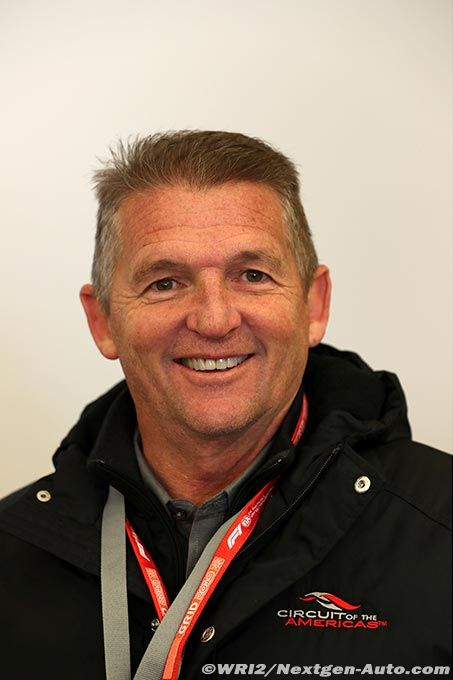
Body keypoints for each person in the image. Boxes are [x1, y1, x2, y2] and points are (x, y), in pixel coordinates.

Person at [0, 131, 450, 680]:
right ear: (103, 321)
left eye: (252, 276)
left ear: (314, 304)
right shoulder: (12, 552)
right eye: (165, 283)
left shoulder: (440, 528)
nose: (214, 320)